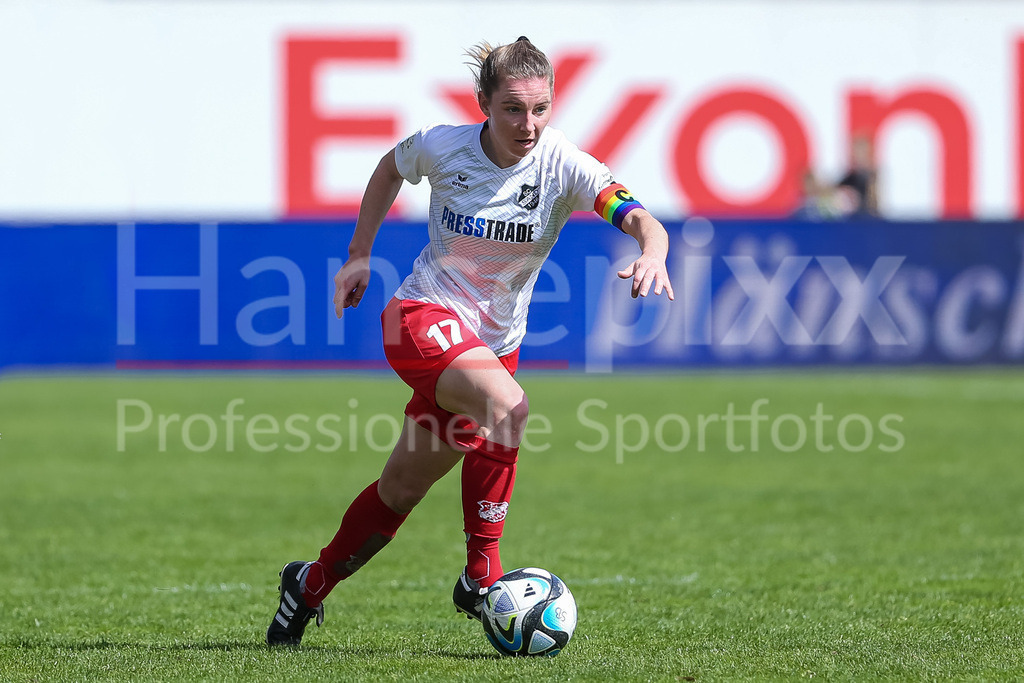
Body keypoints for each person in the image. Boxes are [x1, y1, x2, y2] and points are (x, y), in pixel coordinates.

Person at [266, 36, 675, 646]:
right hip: (420, 316)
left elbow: (639, 216)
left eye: (540, 109)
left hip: (491, 347)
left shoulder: (565, 165)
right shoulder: (443, 146)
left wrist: (653, 250)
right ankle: (482, 575)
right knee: (509, 406)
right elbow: (389, 169)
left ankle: (308, 585)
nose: (528, 125)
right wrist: (358, 255)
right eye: (513, 109)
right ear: (483, 103)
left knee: (400, 491)